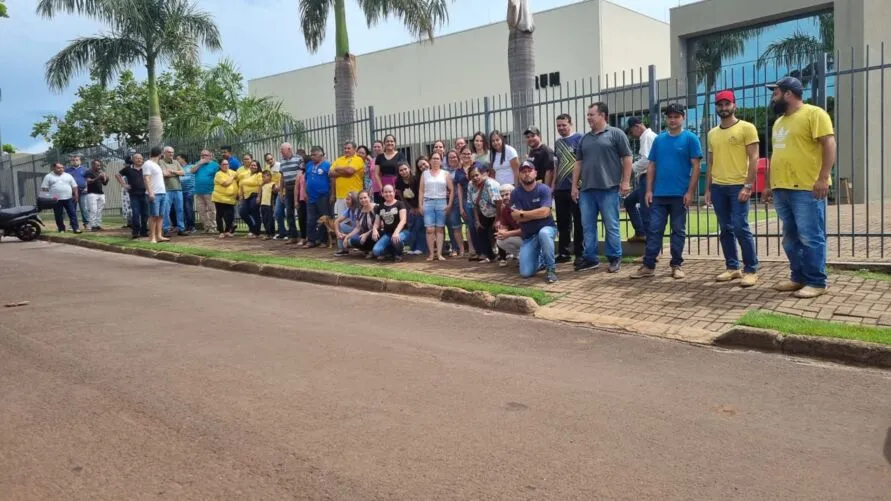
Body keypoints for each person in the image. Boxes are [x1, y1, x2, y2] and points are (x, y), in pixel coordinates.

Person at [764, 76, 836, 299]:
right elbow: (776, 154)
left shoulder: (814, 114)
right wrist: (768, 184)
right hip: (781, 187)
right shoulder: (779, 122)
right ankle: (798, 277)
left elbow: (829, 143)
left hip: (806, 187)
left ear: (788, 93)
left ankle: (817, 281)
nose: (772, 97)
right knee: (790, 238)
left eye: (775, 92)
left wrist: (823, 177)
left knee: (811, 236)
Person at [631, 103, 703, 280]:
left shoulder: (690, 139)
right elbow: (652, 166)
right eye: (670, 117)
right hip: (659, 195)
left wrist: (690, 192)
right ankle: (649, 265)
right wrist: (648, 190)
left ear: (683, 118)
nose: (672, 120)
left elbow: (696, 167)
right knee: (654, 229)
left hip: (679, 195)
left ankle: (676, 264)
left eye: (676, 116)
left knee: (678, 230)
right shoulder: (659, 140)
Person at [706, 89, 760, 287]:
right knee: (725, 229)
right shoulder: (712, 133)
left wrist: (748, 185)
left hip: (738, 186)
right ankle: (732, 267)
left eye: (727, 104)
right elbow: (711, 163)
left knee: (740, 227)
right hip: (719, 187)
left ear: (734, 105)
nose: (723, 108)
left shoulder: (747, 128)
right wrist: (708, 189)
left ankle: (751, 269)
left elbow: (754, 157)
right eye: (720, 105)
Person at [572, 101, 633, 273]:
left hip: (609, 189)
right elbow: (578, 164)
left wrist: (626, 181)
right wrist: (574, 187)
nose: (588, 117)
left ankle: (614, 257)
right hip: (587, 191)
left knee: (611, 224)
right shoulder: (585, 138)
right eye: (588, 115)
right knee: (588, 226)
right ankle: (591, 258)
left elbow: (627, 158)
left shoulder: (616, 134)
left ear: (603, 115)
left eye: (592, 114)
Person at [512, 162, 558, 283]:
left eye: (529, 171)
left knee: (543, 233)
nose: (526, 174)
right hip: (529, 236)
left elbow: (545, 212)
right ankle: (542, 259)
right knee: (525, 273)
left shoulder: (544, 189)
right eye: (523, 172)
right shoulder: (515, 193)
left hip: (547, 228)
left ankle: (551, 269)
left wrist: (523, 214)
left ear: (535, 173)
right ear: (519, 175)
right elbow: (516, 217)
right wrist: (536, 214)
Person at [553, 113, 584, 264]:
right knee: (563, 223)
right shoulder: (558, 143)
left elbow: (582, 162)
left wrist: (579, 184)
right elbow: (556, 164)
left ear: (571, 124)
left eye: (564, 125)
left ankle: (580, 253)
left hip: (577, 187)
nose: (561, 128)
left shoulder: (580, 138)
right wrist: (553, 185)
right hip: (560, 188)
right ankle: (564, 253)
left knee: (579, 221)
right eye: (558, 125)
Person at [624, 116, 658, 243]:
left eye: (632, 132)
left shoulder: (647, 137)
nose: (632, 135)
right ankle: (641, 232)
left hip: (648, 177)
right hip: (647, 177)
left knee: (646, 211)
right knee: (629, 201)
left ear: (637, 127)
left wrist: (631, 168)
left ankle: (651, 246)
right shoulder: (649, 136)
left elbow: (646, 160)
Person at [418, 151, 455, 261]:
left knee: (439, 229)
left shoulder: (445, 174)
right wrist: (420, 205)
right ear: (430, 160)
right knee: (429, 229)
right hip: (428, 202)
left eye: (437, 158)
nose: (435, 160)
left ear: (441, 161)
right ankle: (431, 254)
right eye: (433, 158)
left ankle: (439, 254)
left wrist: (449, 204)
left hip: (441, 203)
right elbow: (421, 190)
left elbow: (452, 189)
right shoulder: (424, 174)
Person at [467, 165, 502, 263]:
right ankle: (488, 255)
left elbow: (499, 203)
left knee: (497, 230)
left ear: (482, 174)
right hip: (483, 211)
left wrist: (497, 219)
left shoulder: (490, 184)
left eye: (477, 175)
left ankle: (503, 255)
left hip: (497, 211)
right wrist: (477, 220)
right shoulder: (470, 185)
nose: (475, 178)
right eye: (472, 176)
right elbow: (473, 204)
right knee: (480, 229)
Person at [396, 161, 426, 256]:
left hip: (420, 206)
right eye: (401, 170)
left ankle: (420, 248)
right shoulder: (399, 182)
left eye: (405, 169)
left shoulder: (416, 179)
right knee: (412, 227)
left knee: (420, 226)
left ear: (409, 169)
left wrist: (418, 207)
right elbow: (402, 197)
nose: (404, 171)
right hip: (410, 207)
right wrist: (410, 208)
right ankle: (413, 247)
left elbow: (421, 193)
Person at [372, 185, 409, 261]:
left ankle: (398, 254)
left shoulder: (400, 204)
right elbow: (376, 223)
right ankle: (390, 252)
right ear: (382, 194)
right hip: (388, 234)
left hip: (402, 232)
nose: (388, 194)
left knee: (395, 240)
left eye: (390, 192)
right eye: (385, 192)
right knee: (376, 251)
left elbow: (403, 220)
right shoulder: (380, 207)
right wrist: (374, 230)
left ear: (394, 192)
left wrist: (396, 233)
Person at [329, 141, 366, 219]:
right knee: (342, 221)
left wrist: (338, 168)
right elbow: (330, 173)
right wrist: (346, 173)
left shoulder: (358, 159)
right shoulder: (339, 159)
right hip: (340, 196)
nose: (346, 150)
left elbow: (350, 171)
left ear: (354, 149)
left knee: (355, 219)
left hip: (354, 196)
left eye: (349, 148)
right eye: (345, 148)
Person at [303, 145, 331, 247]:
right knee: (310, 219)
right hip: (311, 196)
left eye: (314, 155)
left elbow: (331, 181)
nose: (312, 157)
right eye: (311, 155)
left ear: (321, 154)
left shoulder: (327, 165)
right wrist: (305, 193)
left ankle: (323, 240)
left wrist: (332, 195)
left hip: (323, 196)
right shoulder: (309, 165)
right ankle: (311, 240)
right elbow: (306, 180)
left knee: (323, 218)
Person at [41, 162, 80, 233]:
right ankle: (61, 229)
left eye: (62, 167)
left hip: (68, 198)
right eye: (58, 168)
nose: (61, 169)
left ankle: (76, 228)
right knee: (58, 215)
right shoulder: (48, 176)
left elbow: (74, 186)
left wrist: (76, 195)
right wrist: (47, 198)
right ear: (54, 168)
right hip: (56, 198)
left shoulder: (68, 175)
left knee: (72, 213)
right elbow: (44, 188)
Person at [277, 142, 304, 242]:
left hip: (297, 187)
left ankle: (303, 235)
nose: (281, 152)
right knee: (289, 212)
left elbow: (302, 173)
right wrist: (281, 190)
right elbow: (282, 177)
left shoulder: (298, 159)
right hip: (288, 188)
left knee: (300, 211)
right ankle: (292, 236)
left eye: (282, 150)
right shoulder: (282, 162)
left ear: (289, 149)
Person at [119, 153, 149, 238]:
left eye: (141, 158)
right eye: (137, 158)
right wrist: (123, 184)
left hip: (145, 194)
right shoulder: (128, 169)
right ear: (133, 160)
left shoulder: (145, 168)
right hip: (134, 195)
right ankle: (135, 232)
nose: (139, 160)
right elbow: (118, 175)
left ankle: (144, 231)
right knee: (135, 213)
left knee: (145, 213)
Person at [143, 146, 168, 244]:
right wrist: (150, 192)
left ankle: (159, 235)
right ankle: (152, 237)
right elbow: (146, 178)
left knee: (161, 215)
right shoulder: (148, 164)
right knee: (154, 215)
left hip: (162, 193)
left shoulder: (157, 165)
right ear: (160, 154)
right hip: (155, 193)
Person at [444, 148, 467, 257]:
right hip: (452, 202)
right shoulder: (445, 172)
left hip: (464, 199)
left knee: (468, 225)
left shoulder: (464, 169)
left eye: (454, 157)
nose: (452, 159)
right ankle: (460, 249)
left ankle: (472, 248)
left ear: (458, 157)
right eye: (450, 157)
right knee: (455, 226)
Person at [191, 149, 220, 233]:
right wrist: (199, 163)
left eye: (205, 155)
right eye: (202, 155)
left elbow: (218, 177)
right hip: (198, 191)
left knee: (212, 210)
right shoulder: (198, 164)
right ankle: (206, 227)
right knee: (201, 211)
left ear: (210, 156)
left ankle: (213, 227)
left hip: (210, 191)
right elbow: (192, 171)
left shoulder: (215, 165)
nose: (203, 156)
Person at [159, 146, 185, 237]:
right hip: (166, 190)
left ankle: (181, 229)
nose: (171, 154)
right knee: (166, 210)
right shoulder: (160, 162)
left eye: (172, 152)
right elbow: (164, 174)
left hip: (178, 189)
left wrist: (173, 171)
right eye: (169, 152)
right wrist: (176, 173)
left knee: (180, 210)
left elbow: (183, 173)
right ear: (164, 153)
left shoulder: (176, 162)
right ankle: (166, 229)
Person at [457, 146, 478, 258]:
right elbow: (459, 190)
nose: (466, 155)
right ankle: (471, 248)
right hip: (466, 200)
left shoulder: (476, 167)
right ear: (460, 155)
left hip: (478, 199)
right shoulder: (459, 171)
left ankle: (481, 247)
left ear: (471, 154)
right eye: (464, 154)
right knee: (469, 225)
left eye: (468, 153)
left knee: (478, 224)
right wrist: (461, 207)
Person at [343, 191, 377, 256]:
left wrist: (366, 234)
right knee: (351, 241)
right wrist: (347, 237)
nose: (363, 200)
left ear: (369, 198)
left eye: (365, 197)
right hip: (364, 236)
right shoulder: (358, 211)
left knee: (377, 248)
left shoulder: (376, 207)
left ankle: (377, 250)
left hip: (376, 234)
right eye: (361, 198)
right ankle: (368, 249)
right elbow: (358, 228)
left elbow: (380, 226)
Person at [495, 183, 522, 266]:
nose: (504, 198)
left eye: (507, 194)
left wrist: (508, 233)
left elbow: (527, 229)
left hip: (531, 237)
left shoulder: (522, 204)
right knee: (500, 240)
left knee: (526, 272)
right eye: (502, 195)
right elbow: (504, 227)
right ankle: (521, 256)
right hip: (521, 238)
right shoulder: (505, 209)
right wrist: (501, 231)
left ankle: (530, 256)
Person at [212, 159, 238, 238]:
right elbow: (225, 183)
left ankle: (227, 231)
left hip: (230, 199)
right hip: (220, 198)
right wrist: (233, 177)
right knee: (220, 215)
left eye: (227, 164)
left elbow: (239, 178)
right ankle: (221, 231)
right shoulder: (218, 174)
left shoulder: (232, 172)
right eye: (223, 164)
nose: (225, 166)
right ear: (220, 166)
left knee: (230, 215)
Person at [239, 160, 263, 238]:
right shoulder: (246, 175)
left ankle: (256, 232)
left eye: (255, 165)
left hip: (255, 195)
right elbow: (242, 185)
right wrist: (241, 196)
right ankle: (252, 229)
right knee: (242, 212)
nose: (253, 167)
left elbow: (260, 186)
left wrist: (259, 197)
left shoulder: (259, 174)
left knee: (255, 212)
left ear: (258, 167)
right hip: (246, 197)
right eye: (252, 165)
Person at [64, 155, 89, 228]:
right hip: (71, 193)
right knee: (72, 209)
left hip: (83, 192)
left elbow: (88, 180)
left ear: (80, 161)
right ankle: (73, 225)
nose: (75, 161)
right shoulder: (67, 171)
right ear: (71, 161)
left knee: (84, 208)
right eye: (73, 160)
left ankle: (86, 224)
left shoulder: (85, 170)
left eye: (77, 160)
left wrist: (87, 188)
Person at [84, 159, 108, 231]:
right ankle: (91, 226)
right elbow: (88, 181)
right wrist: (98, 177)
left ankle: (98, 225)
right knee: (93, 210)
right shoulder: (89, 172)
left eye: (99, 165)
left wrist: (106, 177)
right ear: (93, 165)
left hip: (100, 193)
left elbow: (105, 183)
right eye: (97, 165)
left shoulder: (100, 172)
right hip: (92, 193)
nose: (99, 167)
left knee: (99, 210)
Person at [334, 191, 360, 256]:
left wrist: (347, 236)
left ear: (354, 200)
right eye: (346, 199)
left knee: (344, 227)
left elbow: (359, 227)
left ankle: (364, 248)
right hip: (354, 229)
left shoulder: (359, 209)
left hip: (361, 230)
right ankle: (343, 250)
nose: (346, 201)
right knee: (341, 225)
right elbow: (336, 221)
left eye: (348, 199)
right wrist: (338, 233)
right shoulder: (349, 210)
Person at [176, 153, 196, 234]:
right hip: (180, 191)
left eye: (178, 159)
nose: (176, 161)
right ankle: (184, 227)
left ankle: (191, 227)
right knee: (182, 210)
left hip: (189, 191)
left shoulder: (191, 167)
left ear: (183, 159)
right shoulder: (178, 168)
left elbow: (188, 178)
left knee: (188, 209)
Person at [259, 170, 276, 240]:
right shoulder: (263, 185)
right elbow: (260, 193)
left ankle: (269, 233)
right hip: (263, 204)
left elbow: (275, 192)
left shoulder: (273, 184)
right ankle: (269, 233)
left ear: (269, 177)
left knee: (269, 219)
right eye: (262, 177)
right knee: (264, 219)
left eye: (264, 177)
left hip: (269, 204)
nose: (263, 178)